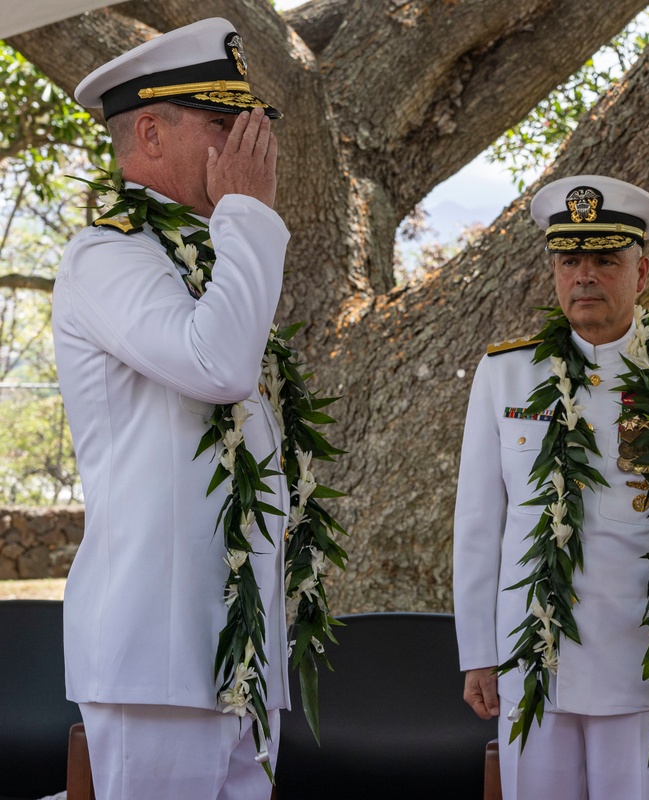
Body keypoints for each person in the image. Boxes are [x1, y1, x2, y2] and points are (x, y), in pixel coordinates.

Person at [54, 18, 289, 800]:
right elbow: (215, 366)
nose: (247, 146)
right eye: (224, 126)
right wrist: (250, 217)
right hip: (155, 653)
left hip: (237, 650)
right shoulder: (109, 255)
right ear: (149, 132)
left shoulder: (214, 260)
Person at [454, 174, 649, 799]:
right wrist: (479, 652)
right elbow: (480, 523)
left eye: (606, 260)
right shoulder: (506, 374)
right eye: (570, 260)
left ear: (641, 275)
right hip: (535, 657)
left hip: (646, 661)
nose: (584, 275)